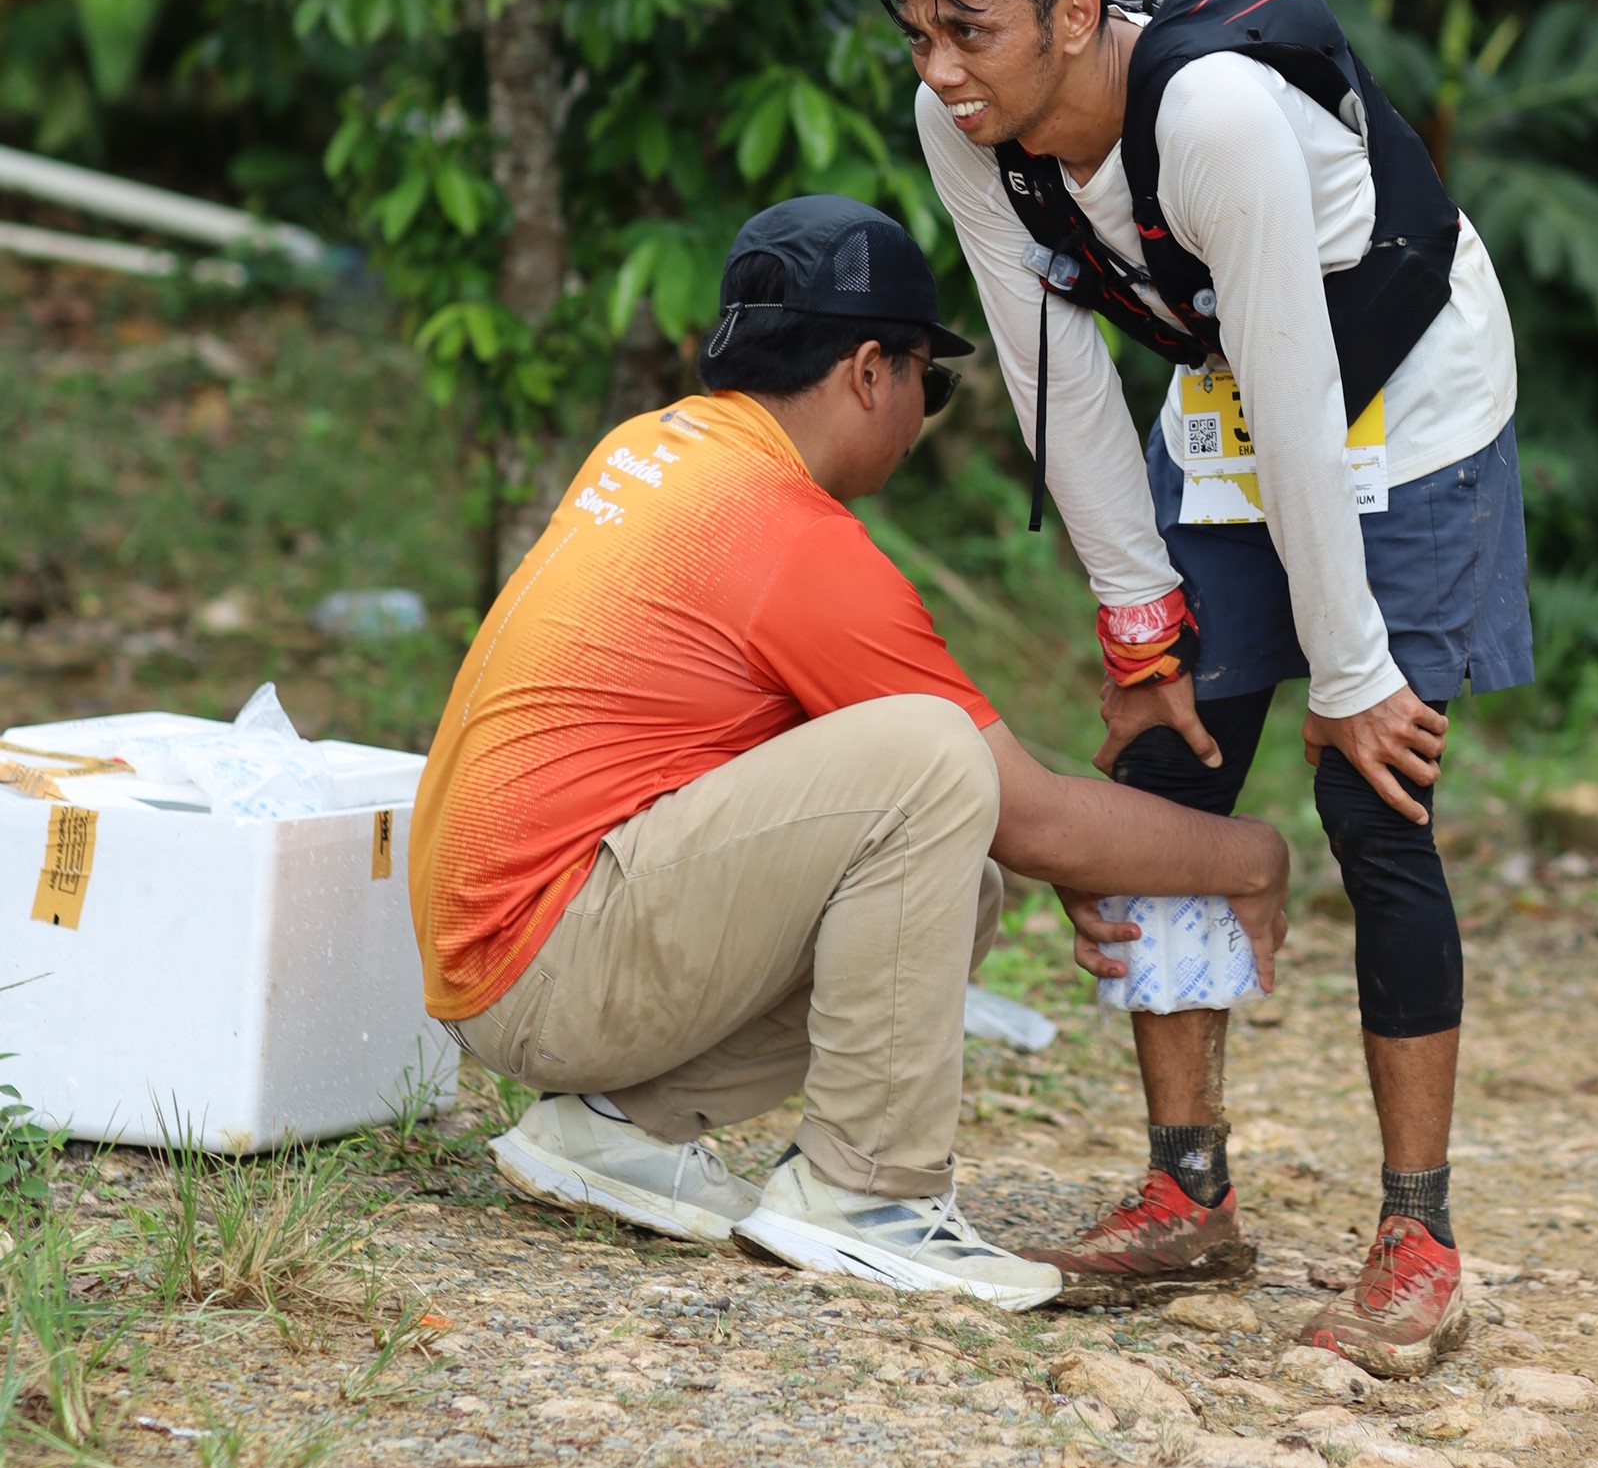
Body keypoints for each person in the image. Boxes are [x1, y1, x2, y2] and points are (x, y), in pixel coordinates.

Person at [868, 0, 1530, 1375]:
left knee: (1374, 793)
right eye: (918, 35)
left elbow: (1307, 392)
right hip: (1237, 399)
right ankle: (1187, 1190)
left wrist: (1351, 672)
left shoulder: (1215, 111)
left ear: (1076, 12)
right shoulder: (968, 126)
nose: (941, 69)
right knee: (1168, 773)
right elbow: (1052, 370)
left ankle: (1420, 1239)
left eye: (969, 30)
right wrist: (1138, 627)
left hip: (1407, 401)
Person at [406, 194, 1289, 1310]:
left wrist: (1070, 847)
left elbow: (986, 816)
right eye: (931, 382)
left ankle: (614, 1127)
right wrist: (1250, 856)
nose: (924, 416)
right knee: (934, 762)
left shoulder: (658, 448)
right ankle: (867, 1194)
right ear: (872, 371)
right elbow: (1023, 811)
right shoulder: (788, 538)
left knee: (954, 878)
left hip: (500, 948)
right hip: (549, 962)